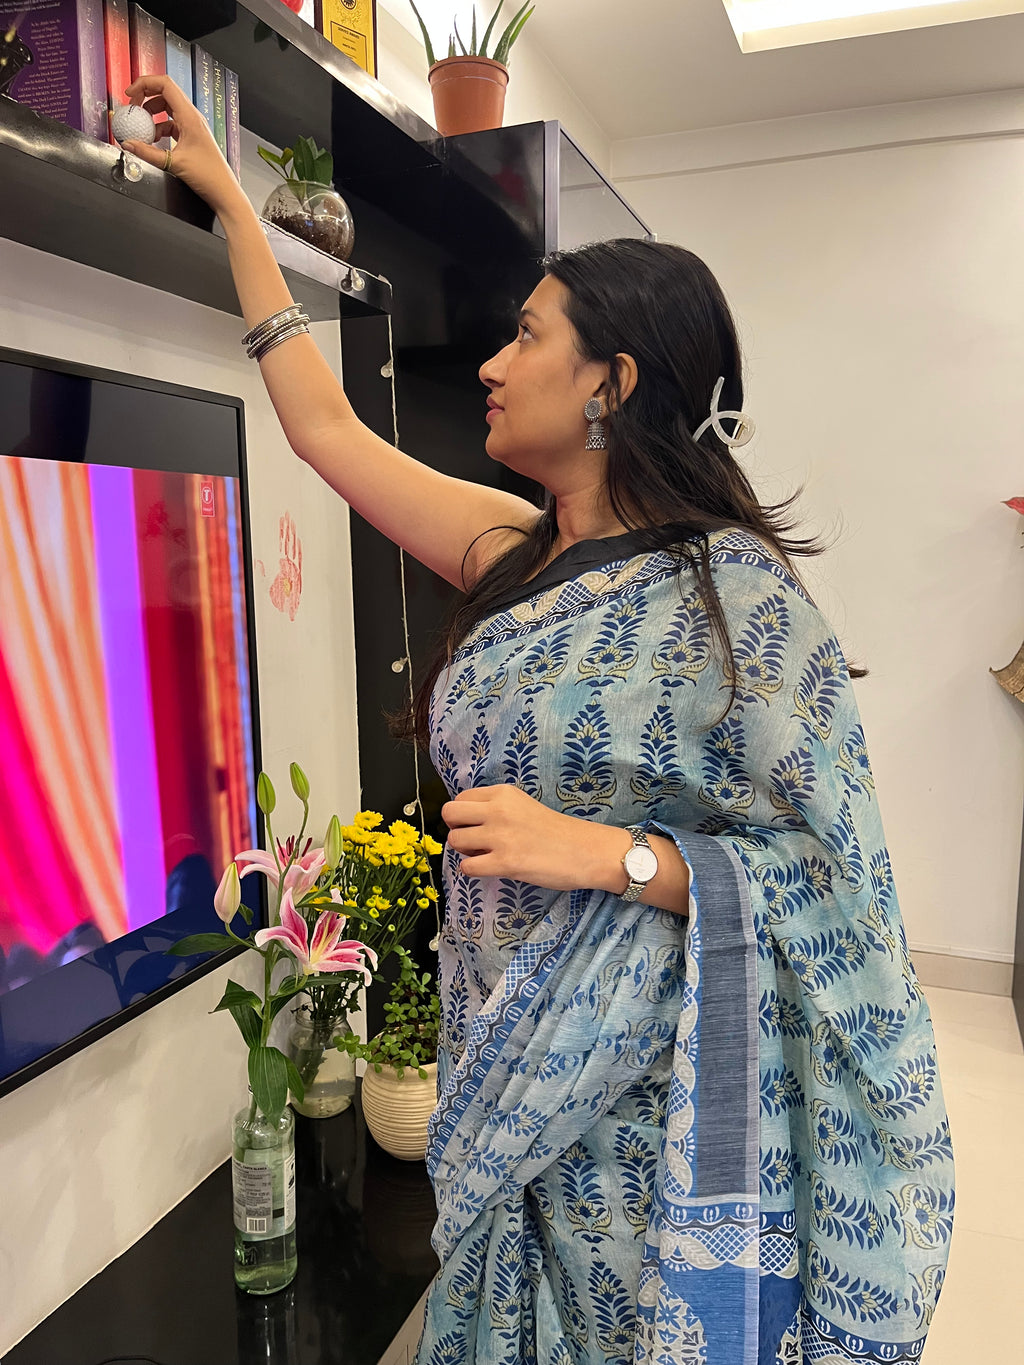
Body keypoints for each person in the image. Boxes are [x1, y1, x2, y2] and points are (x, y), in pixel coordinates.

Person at [121, 77, 954, 1365]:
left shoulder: (738, 601)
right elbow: (324, 427)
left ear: (611, 383)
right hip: (492, 1042)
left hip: (637, 1109)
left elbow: (835, 883)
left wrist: (611, 855)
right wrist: (233, 201)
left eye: (525, 337)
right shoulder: (513, 550)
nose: (492, 366)